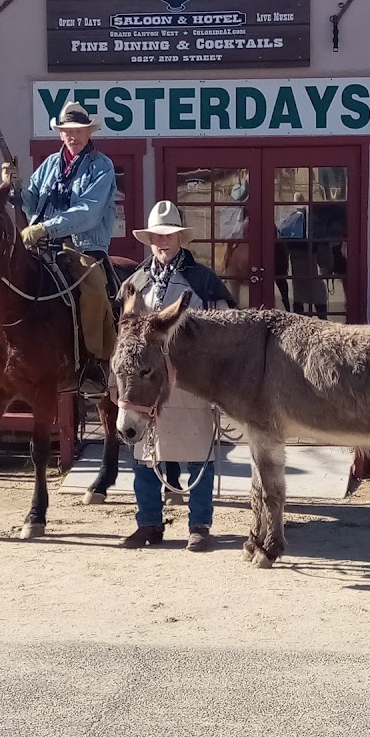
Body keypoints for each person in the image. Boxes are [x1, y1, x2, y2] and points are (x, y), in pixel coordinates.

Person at [0, 101, 117, 394]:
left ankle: (94, 364)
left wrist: (44, 228)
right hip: (40, 244)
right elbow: (29, 202)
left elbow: (87, 212)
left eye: (79, 131)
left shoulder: (101, 167)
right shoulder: (51, 164)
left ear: (89, 132)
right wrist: (14, 185)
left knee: (93, 290)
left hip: (83, 247)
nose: (73, 136)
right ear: (60, 134)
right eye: (67, 131)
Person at [119, 201, 235, 552]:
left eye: (169, 235)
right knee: (145, 455)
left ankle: (199, 525)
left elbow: (226, 322)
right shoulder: (134, 282)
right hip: (146, 382)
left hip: (192, 378)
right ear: (149, 238)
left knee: (199, 452)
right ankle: (149, 523)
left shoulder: (203, 280)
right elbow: (123, 336)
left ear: (181, 238)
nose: (162, 241)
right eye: (157, 235)